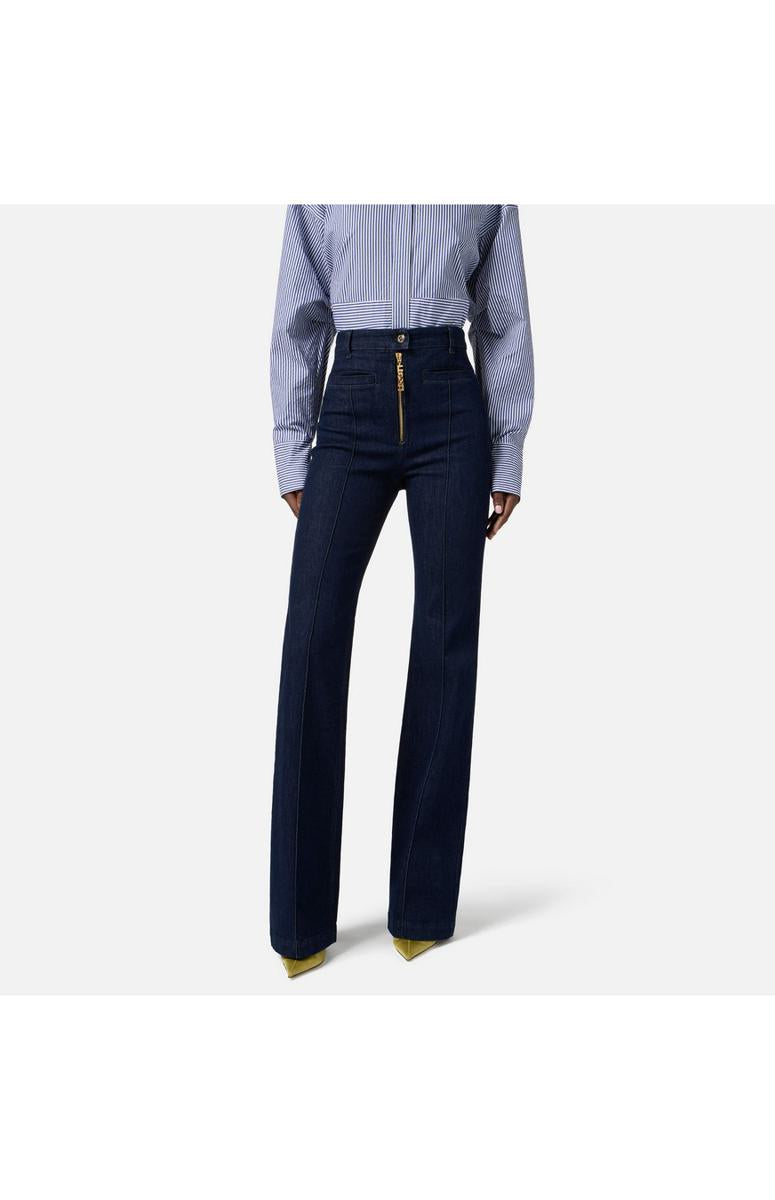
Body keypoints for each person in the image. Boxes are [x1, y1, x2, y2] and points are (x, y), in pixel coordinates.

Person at [269, 205, 534, 977]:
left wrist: (506, 452)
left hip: (451, 400)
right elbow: (299, 314)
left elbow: (503, 318)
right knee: (311, 639)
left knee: (446, 643)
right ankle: (299, 919)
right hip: (349, 398)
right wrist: (292, 445)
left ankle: (421, 906)